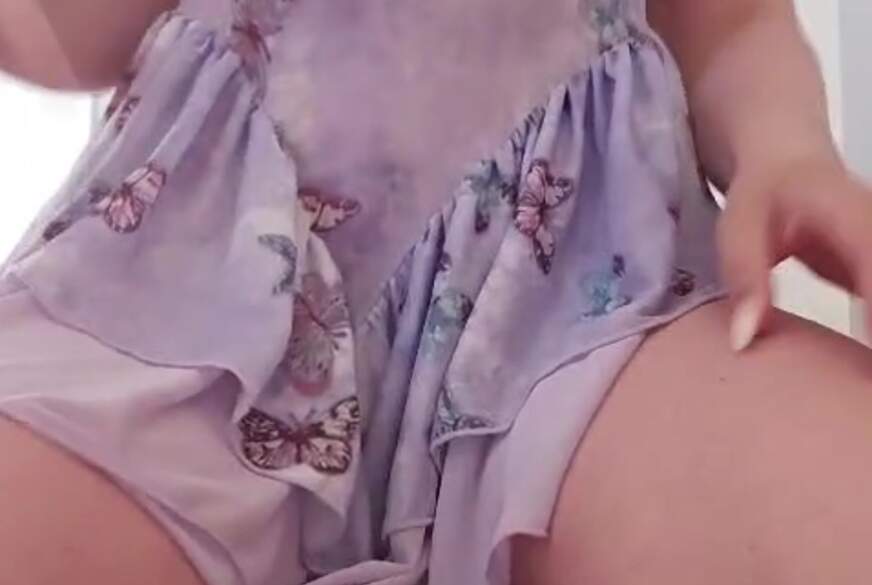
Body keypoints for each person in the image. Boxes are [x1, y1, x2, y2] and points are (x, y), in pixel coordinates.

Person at [1, 0, 872, 583]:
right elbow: (76, 30)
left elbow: (728, 23)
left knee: (836, 506)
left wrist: (785, 148)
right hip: (188, 295)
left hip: (584, 292)